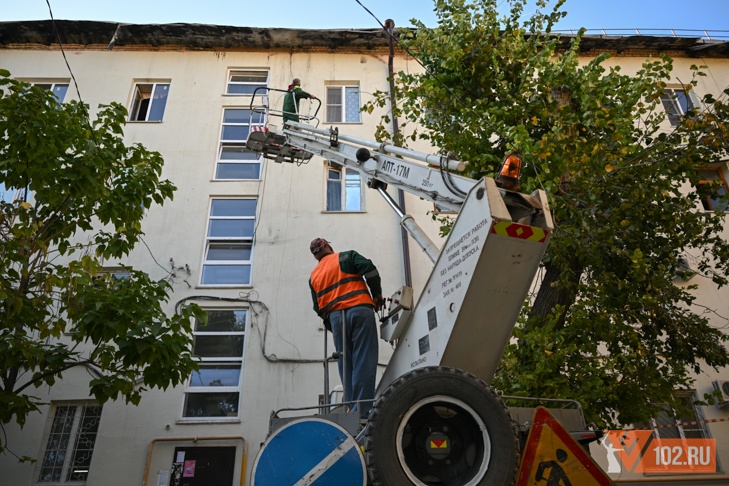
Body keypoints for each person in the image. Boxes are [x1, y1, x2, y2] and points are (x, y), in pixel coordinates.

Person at [308, 238, 384, 419]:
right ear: (329, 247)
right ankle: (363, 411)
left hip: (336, 318)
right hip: (360, 309)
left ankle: (351, 408)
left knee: (345, 363)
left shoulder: (314, 276)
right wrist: (377, 295)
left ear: (316, 256)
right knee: (363, 359)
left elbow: (318, 308)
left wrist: (332, 325)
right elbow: (370, 269)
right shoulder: (346, 257)